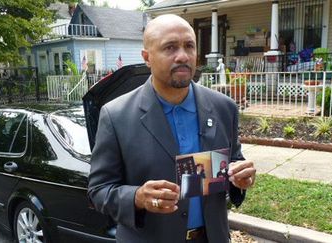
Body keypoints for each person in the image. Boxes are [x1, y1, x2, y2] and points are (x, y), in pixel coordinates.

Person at [88, 14, 256, 243]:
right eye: (170, 47)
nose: (183, 56)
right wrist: (137, 197)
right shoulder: (116, 115)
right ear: (147, 57)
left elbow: (233, 163)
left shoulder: (223, 108)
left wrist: (240, 177)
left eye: (189, 46)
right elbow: (99, 191)